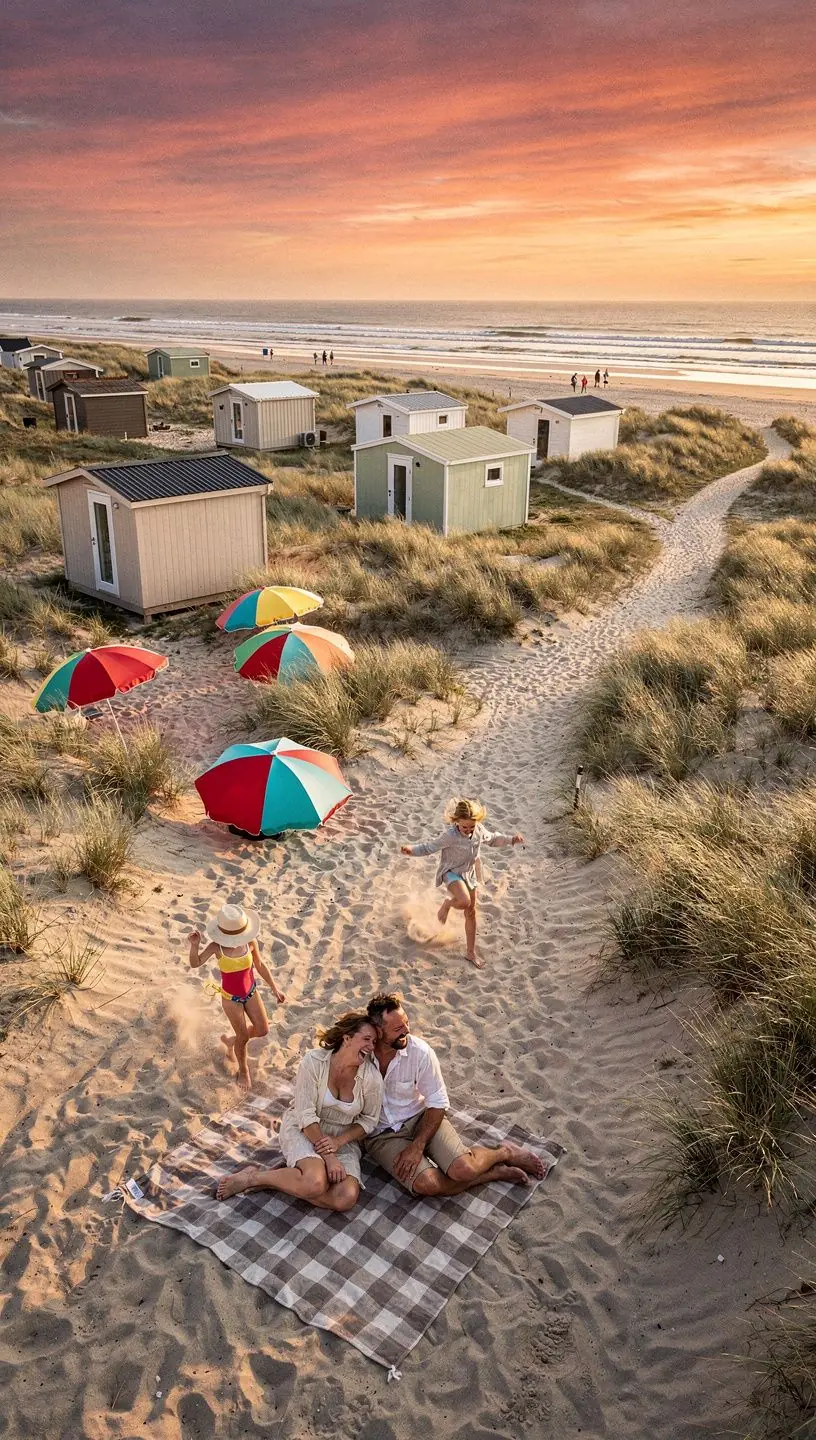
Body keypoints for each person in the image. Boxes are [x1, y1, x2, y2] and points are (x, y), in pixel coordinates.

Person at [364, 994, 546, 1196]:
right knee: (428, 1185)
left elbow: (437, 1101)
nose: (407, 1031)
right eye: (398, 1029)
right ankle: (492, 1174)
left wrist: (418, 1145)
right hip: (382, 1134)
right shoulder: (359, 1055)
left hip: (421, 1118)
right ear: (378, 1031)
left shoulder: (420, 1052)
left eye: (406, 1022)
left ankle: (504, 1152)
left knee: (464, 1170)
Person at [215, 1013, 383, 1211]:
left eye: (374, 1042)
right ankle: (253, 1178)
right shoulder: (314, 1061)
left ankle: (273, 1182)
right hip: (305, 1129)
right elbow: (305, 1115)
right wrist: (329, 1158)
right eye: (366, 1039)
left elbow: (369, 1121)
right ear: (347, 1038)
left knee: (345, 1198)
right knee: (315, 1183)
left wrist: (338, 1142)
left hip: (341, 1139)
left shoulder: (371, 1078)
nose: (371, 1047)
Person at [400, 798, 524, 967]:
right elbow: (429, 847)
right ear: (456, 821)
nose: (468, 830)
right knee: (464, 901)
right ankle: (447, 904)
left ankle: (470, 953)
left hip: (469, 874)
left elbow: (493, 839)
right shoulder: (450, 836)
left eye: (471, 826)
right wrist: (411, 850)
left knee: (471, 912)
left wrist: (511, 839)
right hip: (451, 873)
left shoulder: (478, 830)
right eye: (464, 826)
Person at [188, 901, 286, 1091]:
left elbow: (259, 965)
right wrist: (195, 946)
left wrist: (275, 988)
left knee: (263, 1029)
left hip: (251, 992)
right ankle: (244, 1070)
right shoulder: (217, 947)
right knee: (244, 1038)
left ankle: (231, 1041)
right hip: (231, 999)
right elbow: (195, 963)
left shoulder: (250, 942)